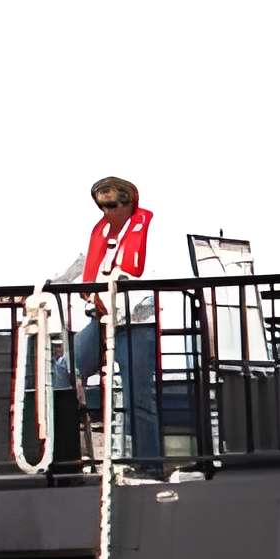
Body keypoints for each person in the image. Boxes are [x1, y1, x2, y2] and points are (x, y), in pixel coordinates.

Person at [62, 175, 161, 462]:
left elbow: (145, 274)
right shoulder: (101, 233)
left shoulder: (149, 230)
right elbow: (85, 261)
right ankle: (68, 454)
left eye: (114, 205)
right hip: (101, 320)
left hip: (137, 324)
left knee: (137, 397)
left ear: (128, 204)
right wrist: (53, 281)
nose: (108, 212)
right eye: (103, 206)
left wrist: (106, 300)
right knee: (65, 371)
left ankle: (148, 465)